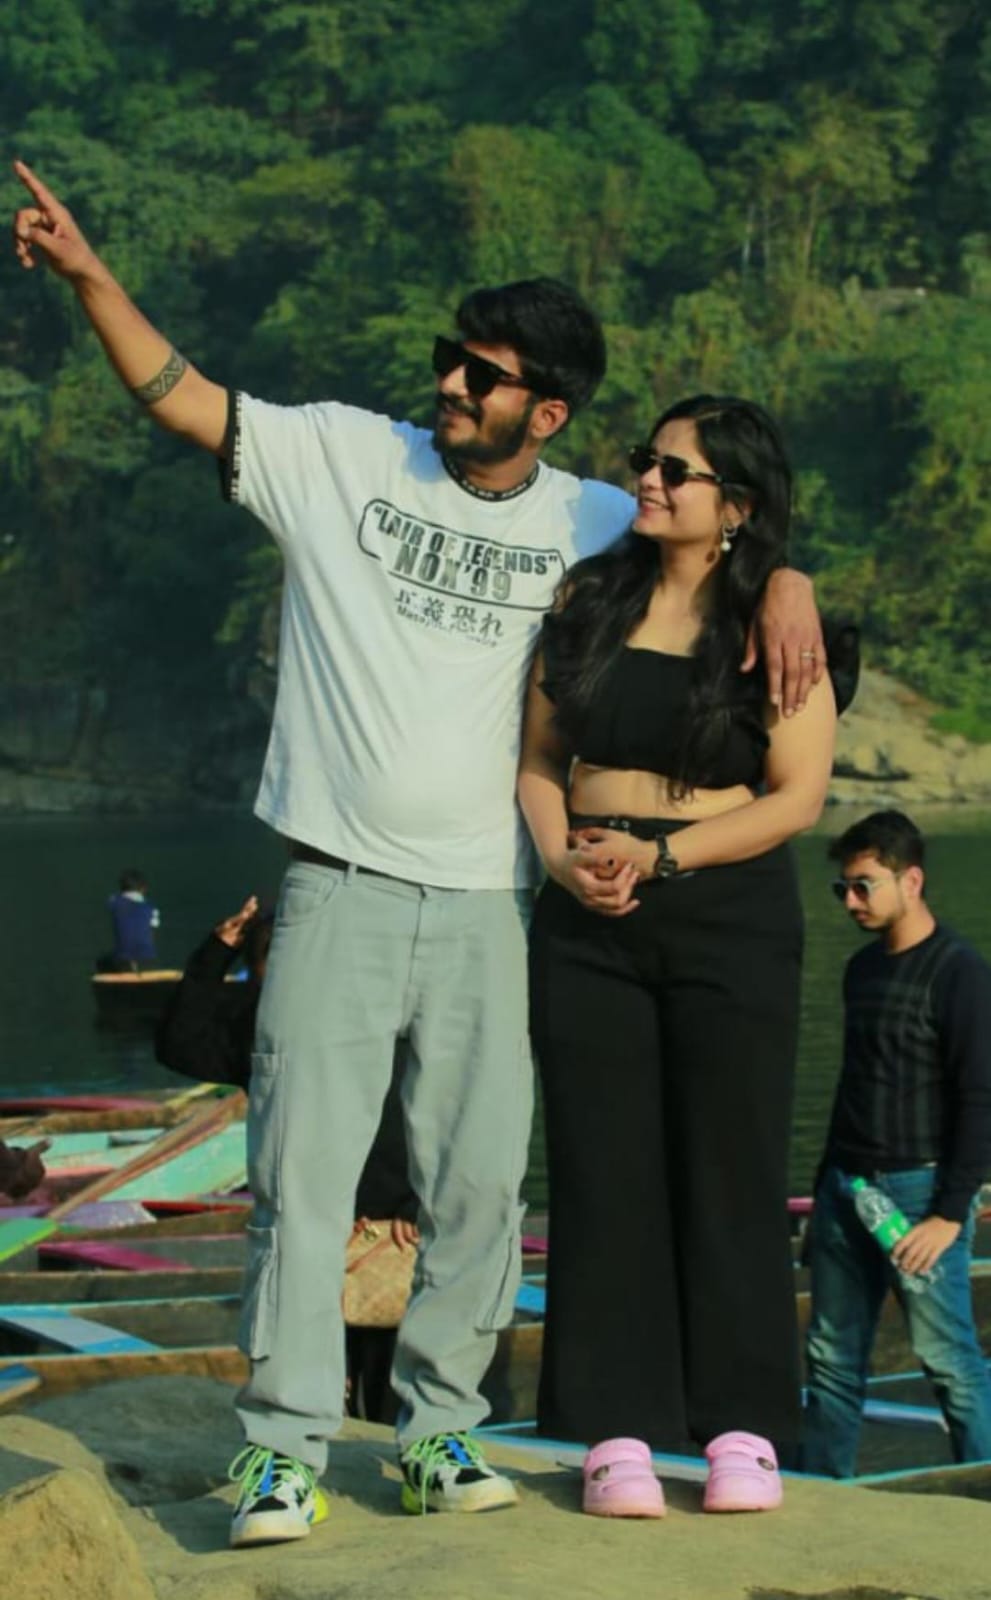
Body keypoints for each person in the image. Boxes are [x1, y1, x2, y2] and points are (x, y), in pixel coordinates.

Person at [12, 160, 824, 1544]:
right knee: (303, 1179)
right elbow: (183, 398)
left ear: (545, 409)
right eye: (450, 361)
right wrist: (93, 279)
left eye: (483, 373)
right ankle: (281, 1448)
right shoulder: (341, 453)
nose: (451, 384)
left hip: (497, 904)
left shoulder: (588, 520)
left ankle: (441, 1432)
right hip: (336, 882)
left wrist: (791, 574)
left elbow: (721, 547)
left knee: (474, 1187)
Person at [519, 395, 840, 1515]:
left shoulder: (774, 624)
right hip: (583, 911)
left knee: (730, 1162)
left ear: (736, 507)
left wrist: (663, 860)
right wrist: (561, 859)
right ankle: (615, 1428)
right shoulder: (586, 598)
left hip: (726, 909)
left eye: (675, 470)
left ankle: (743, 1428)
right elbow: (538, 761)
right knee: (602, 1167)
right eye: (646, 461)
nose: (646, 480)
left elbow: (796, 796)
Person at [155, 895, 420, 1423]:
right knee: (311, 1373)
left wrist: (414, 1206)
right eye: (270, 954)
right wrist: (215, 953)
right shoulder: (258, 1030)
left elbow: (419, 1122)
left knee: (393, 1377)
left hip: (392, 1228)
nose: (288, 968)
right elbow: (179, 1044)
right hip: (304, 1227)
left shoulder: (384, 1016)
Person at [803, 810, 991, 1476]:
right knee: (829, 1357)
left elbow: (978, 1096)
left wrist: (948, 1211)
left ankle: (980, 1488)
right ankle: (826, 1488)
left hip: (918, 1194)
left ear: (910, 880)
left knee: (947, 1358)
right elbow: (854, 1087)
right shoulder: (860, 970)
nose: (850, 901)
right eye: (842, 889)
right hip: (845, 1189)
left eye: (863, 886)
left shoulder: (959, 971)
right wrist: (827, 1186)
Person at [101, 867, 160, 971]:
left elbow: (111, 901)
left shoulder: (115, 902)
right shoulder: (152, 909)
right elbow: (152, 934)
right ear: (144, 888)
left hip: (123, 960)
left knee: (102, 961)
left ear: (121, 888)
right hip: (148, 960)